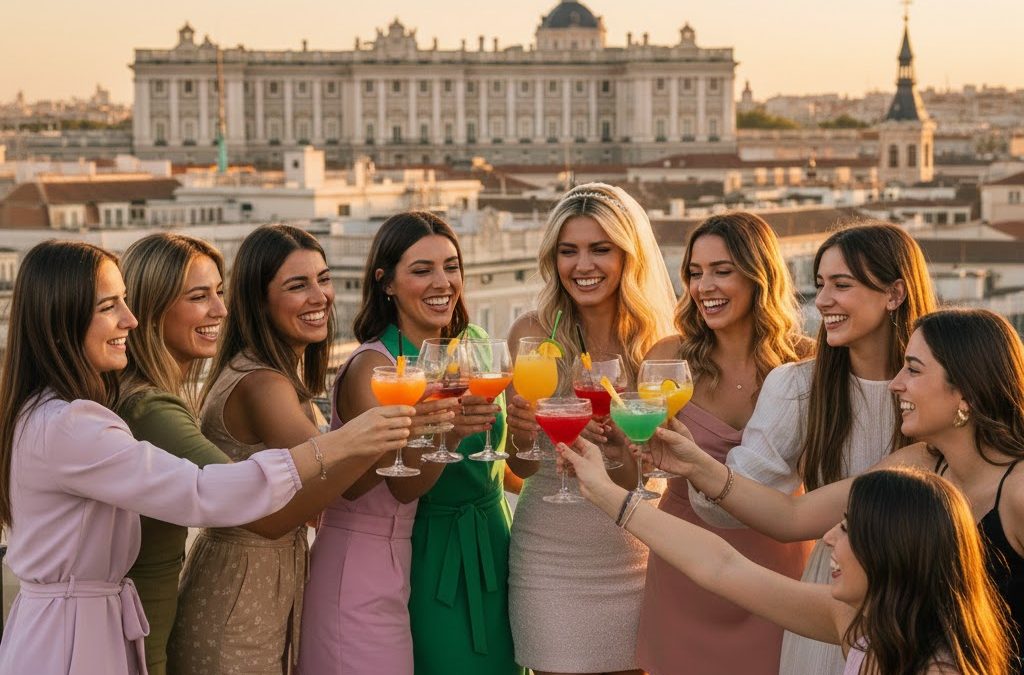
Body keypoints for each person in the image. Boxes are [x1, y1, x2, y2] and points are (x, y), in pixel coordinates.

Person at [0, 241, 413, 675]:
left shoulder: (44, 413)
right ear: (61, 320)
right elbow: (204, 490)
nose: (130, 319)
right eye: (109, 306)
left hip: (74, 628)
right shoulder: (76, 423)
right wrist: (343, 442)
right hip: (74, 638)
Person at [115, 233, 435, 675]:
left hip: (257, 588)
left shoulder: (269, 377)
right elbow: (279, 514)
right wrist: (380, 434)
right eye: (297, 284)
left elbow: (333, 487)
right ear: (260, 301)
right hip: (240, 592)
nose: (319, 295)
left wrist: (414, 433)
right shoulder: (260, 383)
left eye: (323, 279)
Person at [647, 308, 1024, 672]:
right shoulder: (919, 465)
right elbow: (792, 516)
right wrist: (697, 465)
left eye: (913, 370)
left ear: (967, 393)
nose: (896, 384)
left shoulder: (1018, 491)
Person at [682, 222, 936, 674]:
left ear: (895, 294)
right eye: (820, 285)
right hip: (831, 595)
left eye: (842, 285)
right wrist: (693, 463)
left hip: (932, 594)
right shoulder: (799, 386)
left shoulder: (942, 387)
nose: (821, 301)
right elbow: (729, 508)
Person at [562, 437, 1012, 675]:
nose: (829, 539)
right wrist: (606, 494)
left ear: (897, 551)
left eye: (849, 528)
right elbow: (722, 566)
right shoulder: (861, 624)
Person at [297, 211, 495, 675]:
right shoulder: (374, 368)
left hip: (442, 554)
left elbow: (498, 468)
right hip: (372, 562)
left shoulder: (471, 349)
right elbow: (390, 483)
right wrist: (444, 431)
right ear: (386, 283)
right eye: (421, 270)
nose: (442, 281)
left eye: (451, 266)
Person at [505, 183, 677, 675]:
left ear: (629, 256)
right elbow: (520, 468)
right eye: (569, 251)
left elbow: (644, 481)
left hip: (638, 550)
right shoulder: (531, 333)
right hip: (550, 557)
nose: (584, 265)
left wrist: (622, 451)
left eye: (601, 249)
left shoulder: (660, 347)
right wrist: (519, 436)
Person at [636, 213, 813, 675]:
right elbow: (639, 450)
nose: (703, 286)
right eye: (695, 272)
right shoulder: (668, 357)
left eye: (722, 270)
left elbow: (824, 474)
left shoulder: (808, 362)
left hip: (777, 567)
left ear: (759, 275)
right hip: (682, 558)